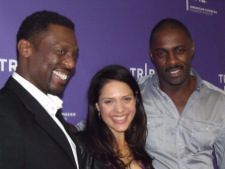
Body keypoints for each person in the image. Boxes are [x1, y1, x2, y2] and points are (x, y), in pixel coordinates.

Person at [138, 18, 225, 169]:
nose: (172, 61)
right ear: (152, 56)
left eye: (179, 51)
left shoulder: (219, 102)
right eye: (161, 53)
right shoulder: (135, 95)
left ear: (192, 49)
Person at [0, 10, 81, 169]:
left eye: (74, 55)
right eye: (61, 51)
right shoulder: (4, 114)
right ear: (25, 49)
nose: (71, 64)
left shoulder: (50, 111)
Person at [75, 65, 153, 169]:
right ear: (97, 106)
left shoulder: (140, 148)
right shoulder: (81, 147)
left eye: (126, 99)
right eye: (109, 101)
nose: (119, 109)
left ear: (135, 100)